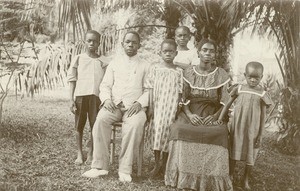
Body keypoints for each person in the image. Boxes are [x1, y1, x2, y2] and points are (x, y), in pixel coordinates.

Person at [164, 38, 233, 191]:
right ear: (198, 53)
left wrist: (215, 117)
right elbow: (183, 98)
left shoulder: (221, 74)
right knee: (179, 129)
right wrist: (189, 115)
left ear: (215, 54)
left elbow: (225, 101)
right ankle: (180, 176)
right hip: (190, 110)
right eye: (205, 50)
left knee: (219, 132)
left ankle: (211, 180)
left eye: (212, 51)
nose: (208, 53)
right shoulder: (188, 72)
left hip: (213, 112)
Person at [82, 31, 149, 182]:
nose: (131, 45)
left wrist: (140, 103)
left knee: (135, 125)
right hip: (114, 105)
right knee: (100, 120)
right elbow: (105, 85)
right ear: (122, 44)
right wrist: (106, 100)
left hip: (134, 107)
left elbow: (149, 90)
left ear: (139, 45)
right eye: (128, 42)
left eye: (134, 42)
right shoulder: (114, 63)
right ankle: (100, 167)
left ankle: (125, 170)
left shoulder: (145, 65)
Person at [217, 62, 273, 190]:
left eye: (256, 78)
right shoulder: (239, 88)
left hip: (252, 129)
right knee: (234, 150)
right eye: (250, 77)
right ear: (245, 75)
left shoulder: (262, 94)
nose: (253, 80)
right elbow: (227, 104)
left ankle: (245, 179)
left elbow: (263, 116)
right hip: (238, 126)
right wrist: (220, 118)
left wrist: (260, 134)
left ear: (261, 77)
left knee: (251, 154)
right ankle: (230, 176)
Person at [145, 39, 183, 178]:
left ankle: (165, 163)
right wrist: (150, 106)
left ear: (176, 53)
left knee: (167, 133)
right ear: (160, 53)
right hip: (158, 105)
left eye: (171, 51)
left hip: (171, 108)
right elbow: (149, 88)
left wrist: (178, 108)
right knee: (157, 131)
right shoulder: (155, 68)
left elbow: (180, 91)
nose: (168, 54)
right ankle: (156, 164)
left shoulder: (178, 71)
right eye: (165, 51)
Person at [67, 30, 105, 165]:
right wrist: (71, 99)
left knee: (94, 126)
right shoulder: (78, 58)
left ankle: (90, 152)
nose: (91, 43)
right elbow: (72, 79)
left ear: (99, 43)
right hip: (80, 97)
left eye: (95, 41)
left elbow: (107, 81)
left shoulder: (102, 61)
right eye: (89, 40)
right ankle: (79, 153)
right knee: (79, 126)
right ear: (85, 42)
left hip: (96, 98)